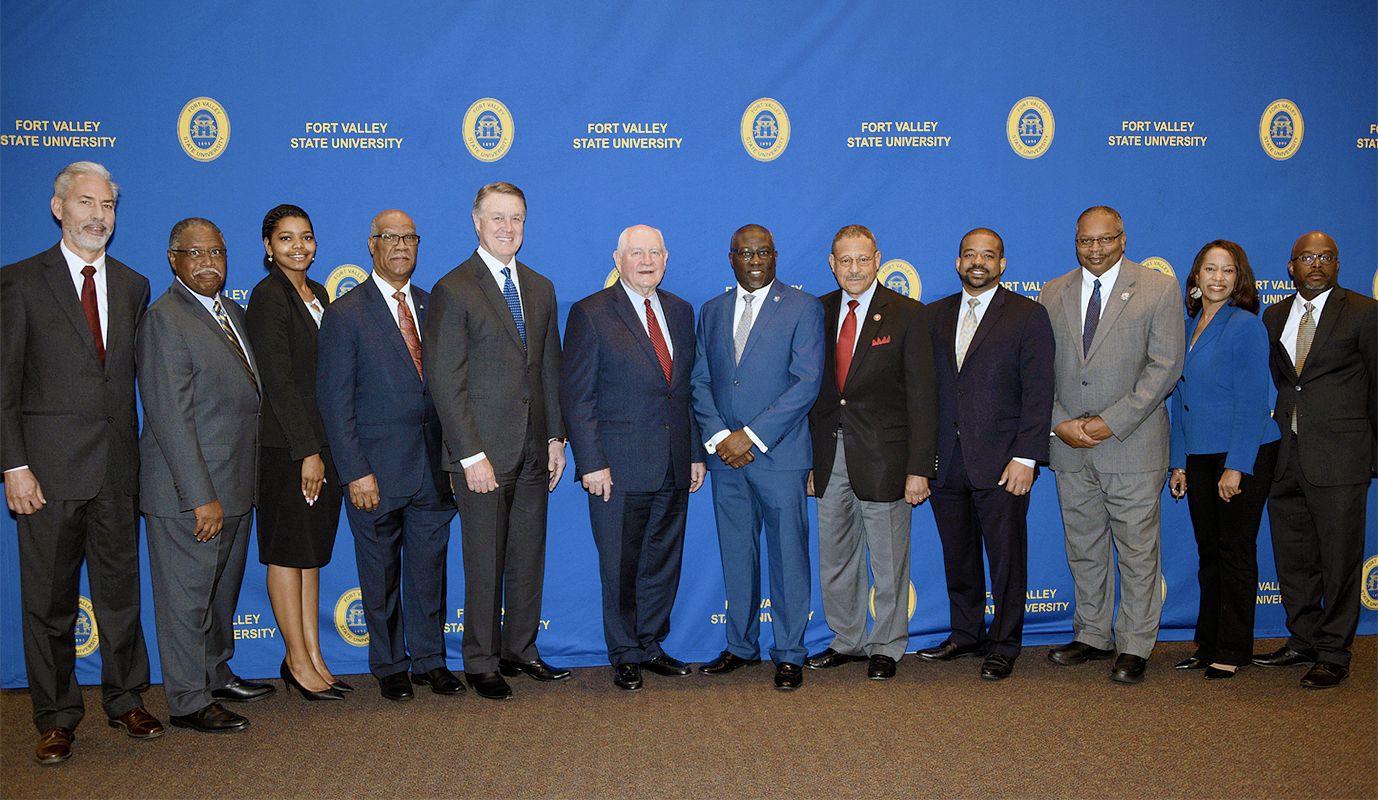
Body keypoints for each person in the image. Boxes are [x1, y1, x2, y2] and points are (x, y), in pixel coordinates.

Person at [1, 162, 162, 763]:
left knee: (121, 597)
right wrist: (13, 465)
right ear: (58, 207)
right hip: (45, 475)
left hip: (118, 471)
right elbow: (4, 386)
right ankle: (56, 716)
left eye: (109, 206)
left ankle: (127, 700)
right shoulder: (18, 282)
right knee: (48, 603)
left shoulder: (132, 284)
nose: (99, 216)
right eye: (88, 203)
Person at [424, 183, 568, 700]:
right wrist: (469, 454)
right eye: (498, 218)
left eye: (518, 219)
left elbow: (549, 367)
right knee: (484, 561)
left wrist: (556, 436)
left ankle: (520, 650)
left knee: (528, 557)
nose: (509, 228)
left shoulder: (540, 287)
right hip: (482, 454)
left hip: (533, 450)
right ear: (476, 222)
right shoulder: (454, 288)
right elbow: (446, 379)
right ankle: (481, 660)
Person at [317, 209, 461, 702]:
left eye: (410, 239)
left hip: (432, 469)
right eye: (390, 238)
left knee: (429, 572)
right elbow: (335, 403)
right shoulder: (345, 313)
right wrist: (355, 470)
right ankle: (390, 664)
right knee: (378, 575)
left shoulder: (431, 305)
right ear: (371, 245)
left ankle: (431, 660)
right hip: (374, 472)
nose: (401, 246)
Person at [137, 218, 274, 733]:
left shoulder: (231, 313)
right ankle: (189, 699)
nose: (207, 261)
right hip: (189, 493)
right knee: (187, 598)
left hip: (237, 485)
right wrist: (201, 496)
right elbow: (170, 418)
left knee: (220, 593)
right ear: (174, 260)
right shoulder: (164, 319)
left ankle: (215, 673)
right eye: (194, 253)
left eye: (215, 251)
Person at [1038, 206, 1184, 684]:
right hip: (1070, 446)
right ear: (1075, 241)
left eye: (1105, 239)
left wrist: (1108, 422)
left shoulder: (1158, 288)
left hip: (1131, 444)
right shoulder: (1053, 291)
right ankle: (1092, 632)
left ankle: (1135, 643)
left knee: (1138, 551)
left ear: (1124, 238)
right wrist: (1061, 424)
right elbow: (1038, 370)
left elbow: (1164, 368)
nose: (1094, 249)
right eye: (1085, 241)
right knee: (1084, 547)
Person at [559, 225, 706, 692]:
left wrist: (696, 452)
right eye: (636, 253)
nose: (646, 260)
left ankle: (650, 644)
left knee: (662, 558)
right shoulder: (591, 313)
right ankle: (624, 652)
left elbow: (686, 391)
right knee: (621, 564)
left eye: (654, 253)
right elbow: (577, 396)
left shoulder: (682, 312)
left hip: (673, 462)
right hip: (616, 467)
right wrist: (591, 462)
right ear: (618, 259)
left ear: (666, 258)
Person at [690, 223, 825, 691]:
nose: (754, 260)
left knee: (788, 556)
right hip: (726, 459)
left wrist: (751, 436)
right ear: (730, 258)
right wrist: (720, 436)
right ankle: (740, 646)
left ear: (776, 256)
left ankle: (789, 653)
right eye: (744, 252)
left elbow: (806, 383)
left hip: (779, 455)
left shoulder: (804, 308)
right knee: (736, 554)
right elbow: (700, 381)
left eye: (763, 252)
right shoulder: (711, 310)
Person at [922, 228, 1055, 681]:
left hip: (1004, 462)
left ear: (1002, 264)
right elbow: (925, 394)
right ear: (957, 262)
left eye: (988, 255)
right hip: (946, 459)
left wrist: (1027, 457)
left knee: (1006, 559)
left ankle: (1004, 643)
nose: (978, 262)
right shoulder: (933, 316)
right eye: (969, 255)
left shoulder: (1027, 315)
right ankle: (966, 633)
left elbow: (1040, 393)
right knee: (957, 555)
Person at [805, 224, 936, 682]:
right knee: (835, 557)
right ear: (832, 263)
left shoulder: (907, 314)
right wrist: (809, 464)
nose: (854, 269)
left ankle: (887, 644)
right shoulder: (815, 312)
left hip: (887, 459)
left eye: (863, 259)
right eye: (845, 260)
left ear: (878, 259)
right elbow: (809, 394)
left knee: (888, 557)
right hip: (828, 458)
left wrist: (919, 468)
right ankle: (847, 639)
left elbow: (923, 398)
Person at [1253, 231, 1376, 689]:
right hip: (1285, 455)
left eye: (1326, 257)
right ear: (1291, 267)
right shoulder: (1275, 315)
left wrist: (1373, 455)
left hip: (1342, 457)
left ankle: (1333, 651)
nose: (1317, 264)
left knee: (1341, 558)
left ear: (1338, 264)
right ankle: (1302, 639)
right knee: (1294, 555)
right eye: (1307, 257)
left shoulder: (1365, 313)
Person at [244, 204, 346, 700]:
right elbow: (280, 383)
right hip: (288, 448)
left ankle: (313, 655)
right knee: (287, 554)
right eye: (286, 239)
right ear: (268, 247)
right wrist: (307, 451)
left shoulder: (319, 293)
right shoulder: (268, 298)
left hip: (320, 445)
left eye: (306, 237)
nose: (298, 247)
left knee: (310, 556)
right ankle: (295, 660)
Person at [1166, 241, 1279, 681]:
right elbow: (1180, 402)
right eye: (1209, 269)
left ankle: (1233, 648)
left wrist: (1237, 466)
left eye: (1227, 271)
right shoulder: (1188, 324)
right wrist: (1179, 463)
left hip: (1242, 452)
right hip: (1198, 453)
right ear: (1195, 278)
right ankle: (1207, 643)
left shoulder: (1246, 326)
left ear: (1239, 279)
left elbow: (1254, 402)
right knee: (1209, 552)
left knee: (1234, 552)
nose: (1217, 278)